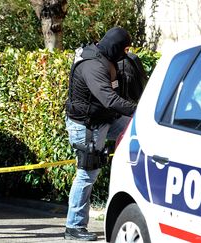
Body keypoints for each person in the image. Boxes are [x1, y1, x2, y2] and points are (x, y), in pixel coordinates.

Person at [64, 27, 137, 241]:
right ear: (115, 46)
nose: (124, 55)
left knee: (138, 130)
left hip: (104, 119)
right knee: (87, 173)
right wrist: (141, 109)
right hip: (87, 127)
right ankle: (73, 227)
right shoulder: (93, 66)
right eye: (123, 50)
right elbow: (109, 99)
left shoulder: (104, 56)